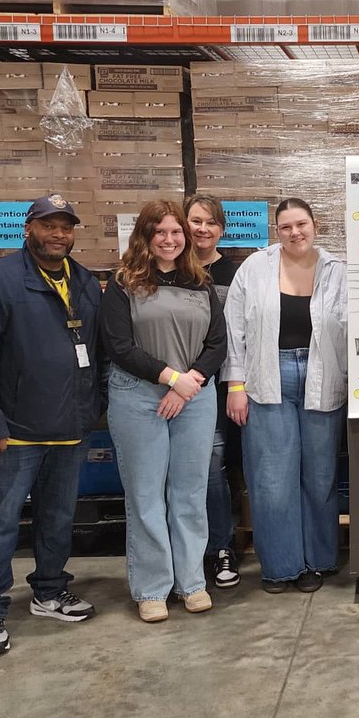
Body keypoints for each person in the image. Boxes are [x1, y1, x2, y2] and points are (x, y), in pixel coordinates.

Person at [0, 194, 103, 656]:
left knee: (58, 516)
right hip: (12, 430)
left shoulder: (83, 281)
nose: (58, 235)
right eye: (49, 226)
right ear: (28, 228)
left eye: (65, 227)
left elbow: (93, 349)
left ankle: (49, 590)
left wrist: (91, 408)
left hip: (70, 425)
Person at [99, 199, 227, 623]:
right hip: (139, 398)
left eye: (176, 232)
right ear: (145, 236)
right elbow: (118, 347)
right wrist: (171, 379)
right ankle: (151, 588)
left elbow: (216, 344)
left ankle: (191, 582)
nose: (170, 240)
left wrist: (188, 383)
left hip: (194, 394)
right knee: (146, 495)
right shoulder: (123, 283)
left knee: (190, 492)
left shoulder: (200, 282)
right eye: (161, 232)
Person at [223, 198, 348, 594]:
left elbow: (353, 329)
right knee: (272, 479)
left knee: (320, 476)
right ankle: (280, 566)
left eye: (301, 224)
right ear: (276, 231)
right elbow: (234, 331)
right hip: (267, 377)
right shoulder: (255, 268)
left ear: (315, 224)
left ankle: (319, 561)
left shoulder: (338, 271)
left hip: (323, 377)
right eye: (286, 227)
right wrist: (236, 385)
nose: (295, 233)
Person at [185, 195, 241, 589]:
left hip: (218, 386)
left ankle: (220, 548)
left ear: (221, 228)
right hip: (171, 384)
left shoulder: (235, 272)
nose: (202, 229)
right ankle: (187, 552)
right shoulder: (169, 268)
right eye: (195, 221)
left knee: (212, 467)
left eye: (210, 222)